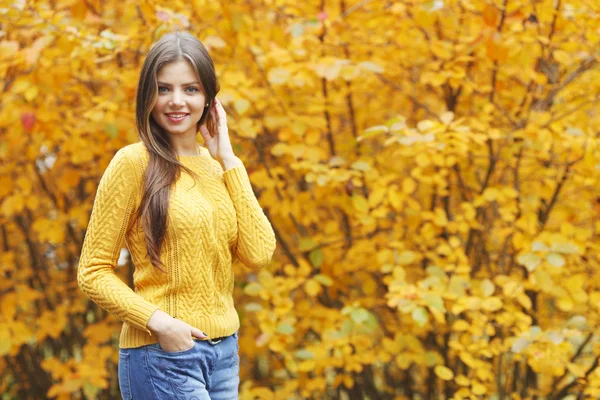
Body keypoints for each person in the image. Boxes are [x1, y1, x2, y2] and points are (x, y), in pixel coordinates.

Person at [77, 30, 277, 399]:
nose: (176, 101)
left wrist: (229, 159)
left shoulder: (219, 169)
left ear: (209, 100)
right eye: (164, 89)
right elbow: (92, 271)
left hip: (223, 355)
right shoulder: (133, 163)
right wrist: (161, 324)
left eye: (191, 89)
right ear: (148, 97)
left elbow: (258, 254)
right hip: (163, 354)